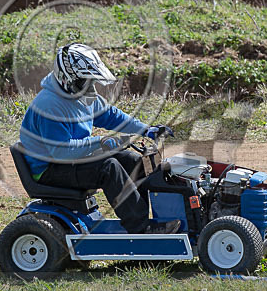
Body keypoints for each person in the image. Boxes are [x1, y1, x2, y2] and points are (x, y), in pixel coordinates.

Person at [19, 43, 180, 234]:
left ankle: (150, 220)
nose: (90, 86)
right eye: (85, 81)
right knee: (108, 168)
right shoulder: (49, 105)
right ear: (68, 78)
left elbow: (111, 116)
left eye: (91, 81)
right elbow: (60, 151)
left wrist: (146, 130)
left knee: (134, 161)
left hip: (69, 159)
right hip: (49, 169)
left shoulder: (79, 95)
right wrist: (101, 142)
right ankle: (141, 228)